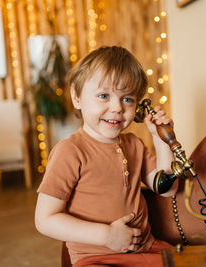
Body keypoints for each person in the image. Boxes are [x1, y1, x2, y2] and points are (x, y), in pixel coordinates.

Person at [35, 46, 178, 267]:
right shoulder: (70, 151)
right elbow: (45, 220)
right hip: (96, 259)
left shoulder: (135, 145)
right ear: (77, 97)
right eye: (103, 96)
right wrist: (106, 235)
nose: (117, 108)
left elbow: (168, 189)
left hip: (147, 250)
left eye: (128, 99)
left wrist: (161, 140)